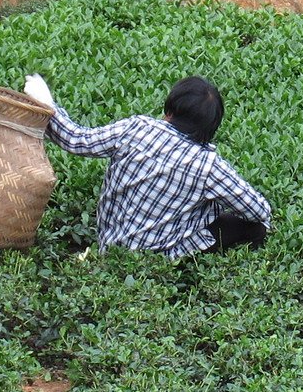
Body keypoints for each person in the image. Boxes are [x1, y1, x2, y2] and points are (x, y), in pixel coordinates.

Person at [23, 73, 269, 260]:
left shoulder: (137, 128)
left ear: (170, 110)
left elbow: (77, 140)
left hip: (110, 245)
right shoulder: (208, 165)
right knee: (255, 227)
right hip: (159, 256)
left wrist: (47, 104)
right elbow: (258, 211)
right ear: (210, 127)